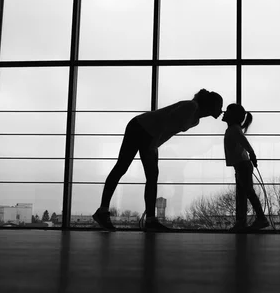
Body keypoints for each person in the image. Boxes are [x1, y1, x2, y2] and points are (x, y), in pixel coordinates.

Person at [93, 89, 223, 231]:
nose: (220, 110)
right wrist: (153, 144)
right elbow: (165, 123)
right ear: (211, 105)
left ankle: (147, 219)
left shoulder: (195, 119)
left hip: (148, 133)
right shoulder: (191, 107)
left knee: (149, 175)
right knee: (123, 167)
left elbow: (169, 130)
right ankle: (110, 212)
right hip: (140, 128)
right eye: (219, 107)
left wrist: (155, 145)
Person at [222, 103, 269, 232]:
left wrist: (252, 155)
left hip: (242, 165)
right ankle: (243, 221)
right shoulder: (234, 129)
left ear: (233, 116)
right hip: (241, 165)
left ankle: (259, 219)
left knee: (247, 192)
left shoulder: (234, 129)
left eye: (227, 111)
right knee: (243, 194)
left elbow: (246, 144)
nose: (223, 113)